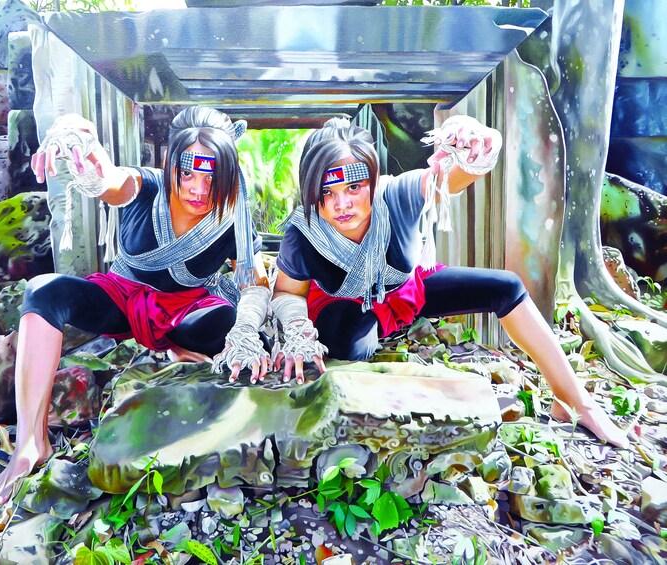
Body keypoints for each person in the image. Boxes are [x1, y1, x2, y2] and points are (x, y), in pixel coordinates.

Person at [269, 115, 629, 449]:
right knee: (346, 345)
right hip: (341, 308)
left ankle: (575, 401)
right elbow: (287, 292)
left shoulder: (396, 195)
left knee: (507, 287)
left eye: (354, 187)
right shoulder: (303, 232)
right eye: (327, 193)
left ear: (372, 180)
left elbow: (450, 178)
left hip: (404, 288)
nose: (342, 204)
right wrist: (299, 334)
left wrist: (480, 144)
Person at [0, 107, 272, 504]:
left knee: (232, 324)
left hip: (189, 308)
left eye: (211, 178)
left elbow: (254, 281)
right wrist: (71, 133)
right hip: (124, 296)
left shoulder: (233, 213)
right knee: (44, 290)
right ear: (171, 164)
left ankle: (181, 357)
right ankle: (29, 443)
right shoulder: (145, 185)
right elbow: (106, 177)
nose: (198, 189)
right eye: (188, 173)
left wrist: (251, 331)